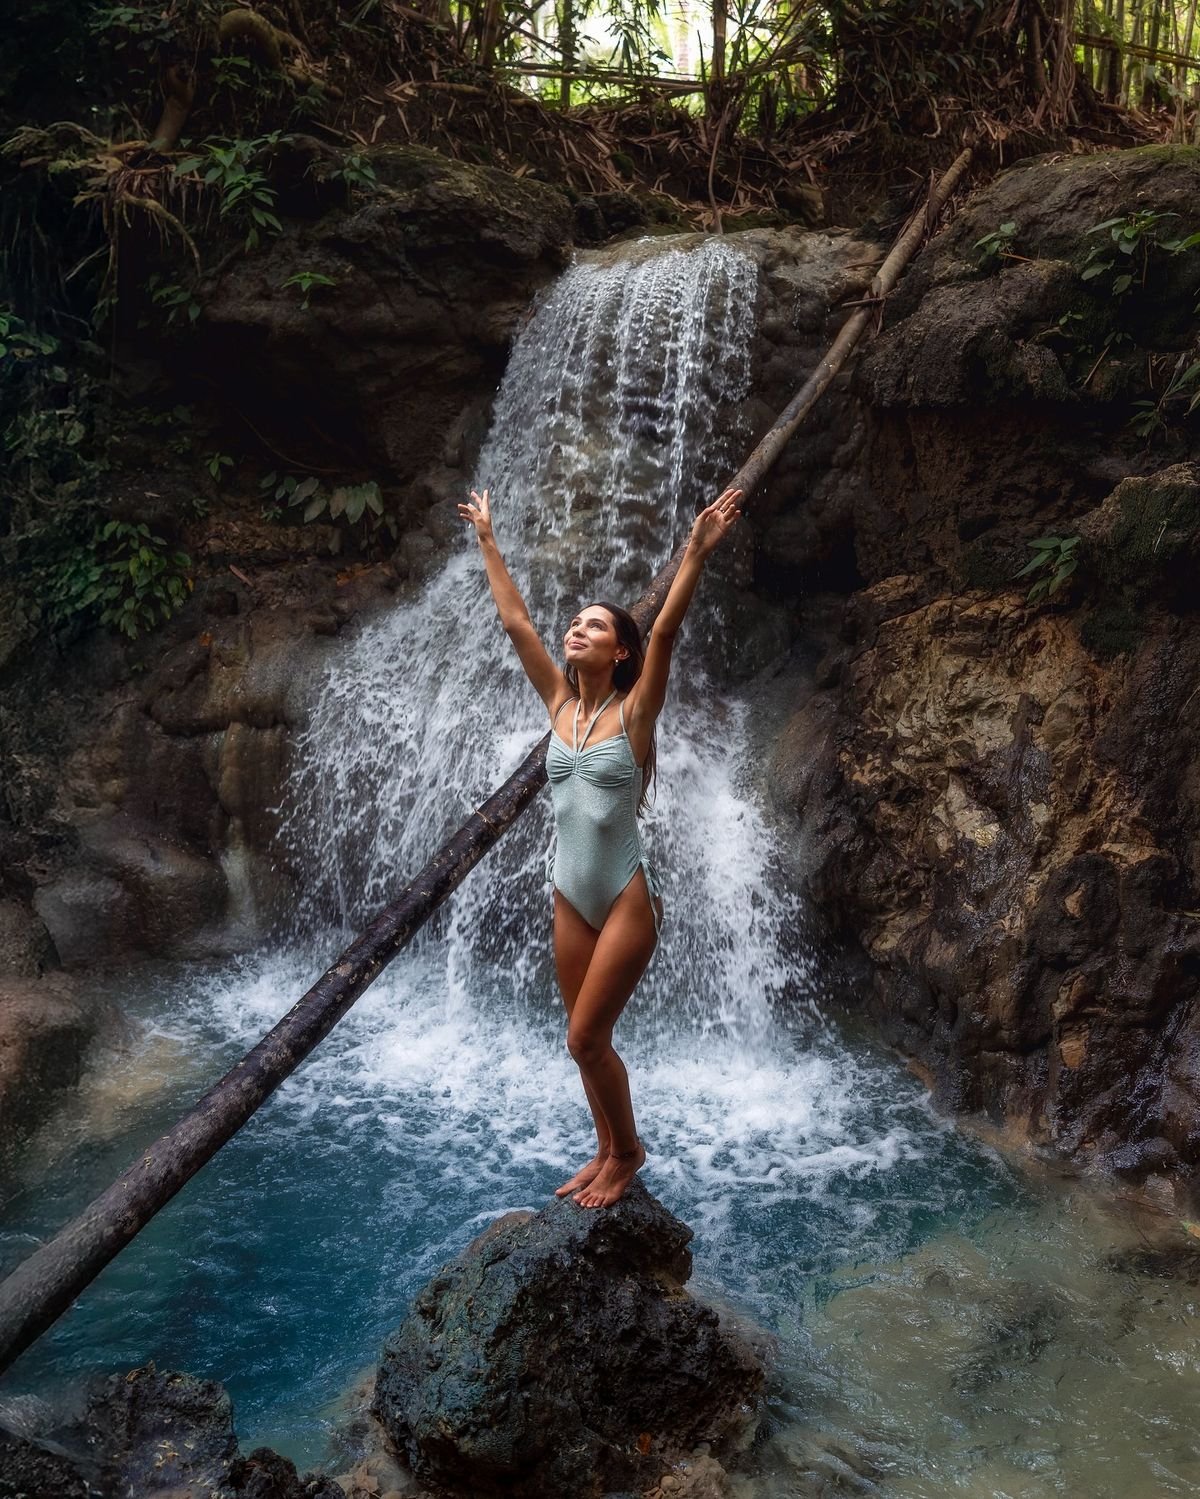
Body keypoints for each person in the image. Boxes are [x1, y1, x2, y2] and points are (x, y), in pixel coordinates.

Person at [457, 484, 743, 1207]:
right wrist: (488, 536)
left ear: (619, 651)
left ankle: (630, 1151)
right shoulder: (560, 703)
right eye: (576, 622)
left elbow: (668, 633)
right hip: (568, 891)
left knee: (586, 1038)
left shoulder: (635, 712)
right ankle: (606, 1146)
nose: (575, 630)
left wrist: (694, 552)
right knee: (583, 1039)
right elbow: (517, 623)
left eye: (594, 626)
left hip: (622, 895)